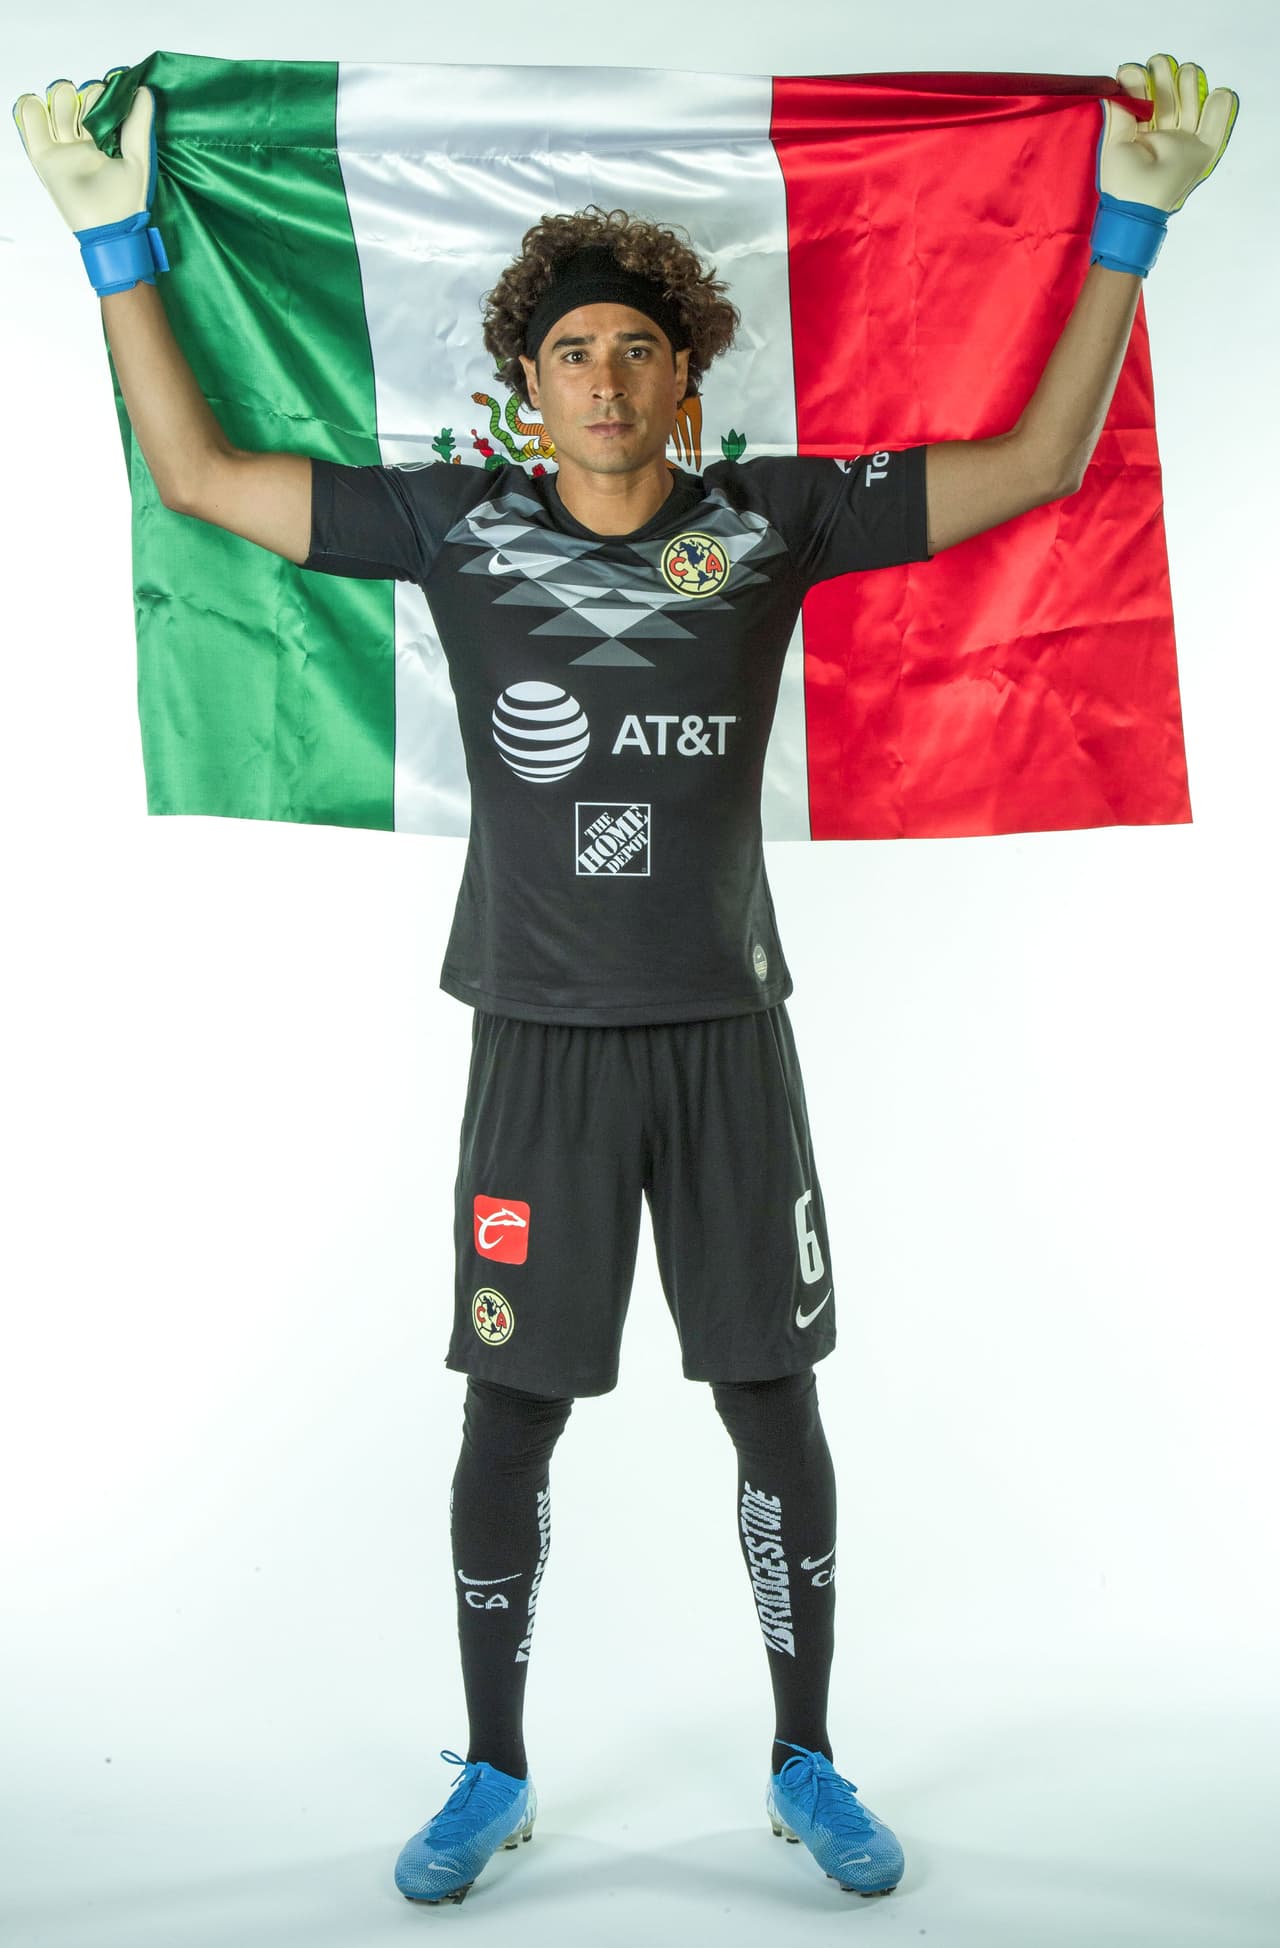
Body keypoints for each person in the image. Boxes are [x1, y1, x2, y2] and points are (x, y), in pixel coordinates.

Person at [14, 52, 1237, 1907]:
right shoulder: (450, 524)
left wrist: (1134, 221)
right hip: (537, 1044)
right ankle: (494, 1768)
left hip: (729, 1042)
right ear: (526, 382)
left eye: (637, 349)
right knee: (512, 1414)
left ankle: (807, 1758)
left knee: (774, 1405)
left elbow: (1041, 466)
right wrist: (110, 238)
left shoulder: (775, 517)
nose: (604, 376)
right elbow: (194, 479)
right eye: (572, 351)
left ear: (687, 373)